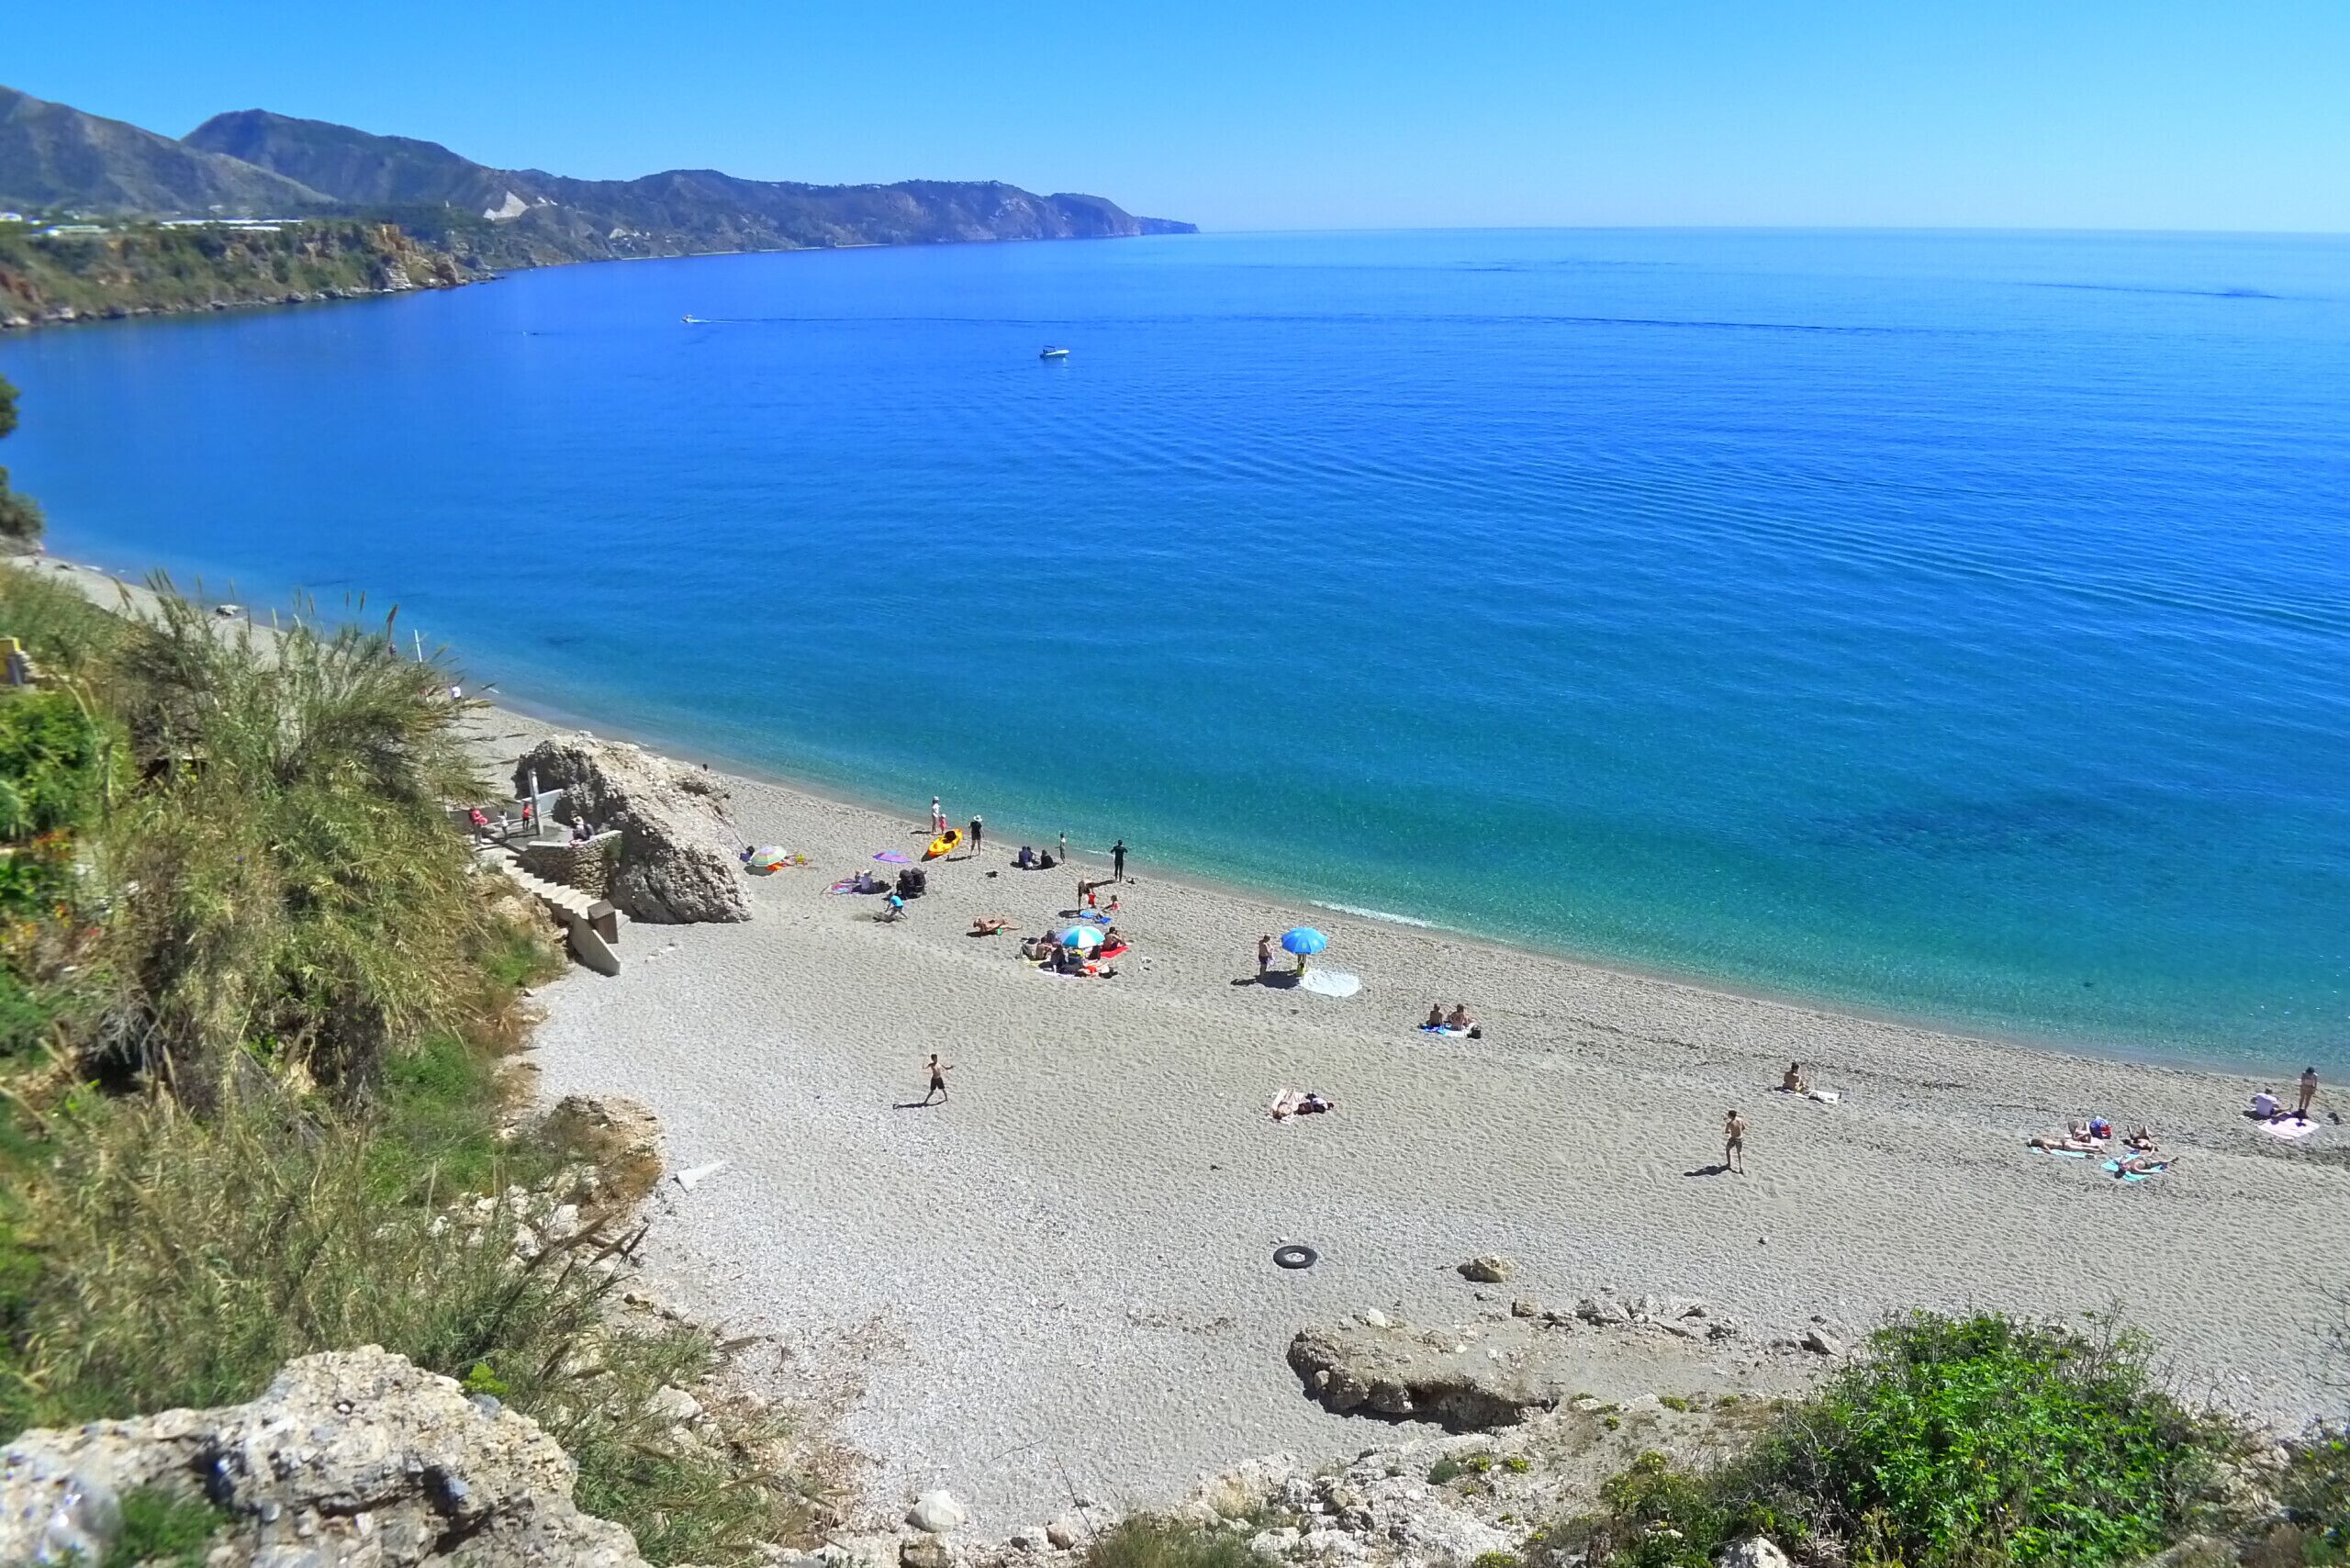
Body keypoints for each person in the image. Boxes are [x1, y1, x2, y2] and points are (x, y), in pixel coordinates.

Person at [1723, 1109, 1748, 1174]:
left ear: (1731, 1116)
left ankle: (1729, 1164)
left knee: (1727, 1149)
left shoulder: (1730, 1123)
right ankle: (1741, 1166)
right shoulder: (1740, 1119)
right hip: (1740, 1138)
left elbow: (1726, 1132)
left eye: (1728, 1115)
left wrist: (1730, 1130)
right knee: (1739, 1152)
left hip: (1733, 1138)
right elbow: (1743, 1127)